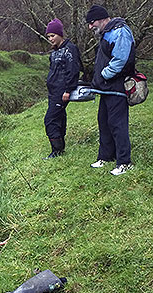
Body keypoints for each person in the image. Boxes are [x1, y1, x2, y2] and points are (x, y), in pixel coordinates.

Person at [86, 5, 135, 175]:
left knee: (118, 125)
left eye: (92, 22)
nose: (90, 26)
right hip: (107, 90)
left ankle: (125, 162)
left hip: (117, 88)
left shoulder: (120, 31)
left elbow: (121, 59)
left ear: (101, 18)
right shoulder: (107, 33)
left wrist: (104, 74)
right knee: (104, 123)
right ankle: (106, 157)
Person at [43, 18, 83, 159]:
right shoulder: (54, 51)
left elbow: (73, 70)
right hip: (53, 91)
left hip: (62, 92)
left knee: (50, 120)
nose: (50, 39)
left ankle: (56, 150)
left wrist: (68, 90)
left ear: (60, 34)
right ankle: (60, 148)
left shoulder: (69, 49)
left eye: (53, 35)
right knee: (59, 118)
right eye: (48, 36)